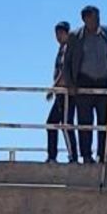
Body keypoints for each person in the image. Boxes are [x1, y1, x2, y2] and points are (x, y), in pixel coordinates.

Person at [63, 5, 107, 162]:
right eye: (94, 18)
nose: (97, 21)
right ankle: (86, 155)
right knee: (85, 121)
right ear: (85, 19)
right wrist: (70, 84)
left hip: (103, 82)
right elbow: (67, 63)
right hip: (84, 81)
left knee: (104, 120)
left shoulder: (105, 32)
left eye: (98, 17)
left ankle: (103, 154)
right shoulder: (75, 36)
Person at [45, 21, 77, 162]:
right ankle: (52, 156)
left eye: (60, 33)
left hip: (65, 92)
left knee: (65, 124)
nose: (57, 37)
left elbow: (64, 71)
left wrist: (53, 87)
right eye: (56, 34)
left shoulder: (68, 49)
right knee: (52, 123)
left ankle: (73, 156)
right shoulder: (61, 49)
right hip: (60, 93)